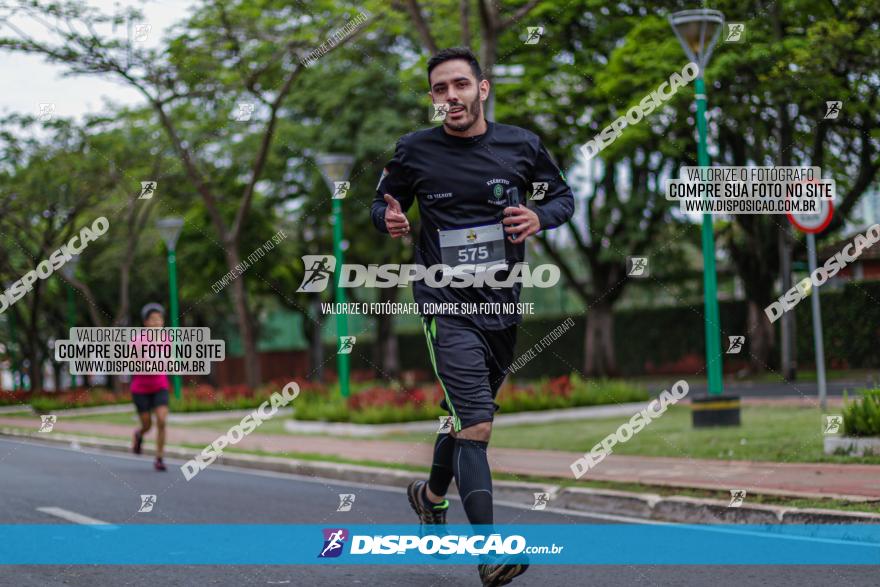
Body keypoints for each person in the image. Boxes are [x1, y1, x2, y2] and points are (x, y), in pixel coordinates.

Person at [371, 47, 574, 586]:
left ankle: (429, 496)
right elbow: (383, 201)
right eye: (440, 90)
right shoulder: (414, 151)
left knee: (464, 418)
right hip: (445, 302)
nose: (451, 97)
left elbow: (563, 197)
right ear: (434, 99)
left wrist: (539, 215)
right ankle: (490, 554)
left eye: (460, 85)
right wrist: (388, 217)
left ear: (482, 89)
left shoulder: (521, 144)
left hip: (503, 301)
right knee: (478, 421)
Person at [130, 302, 170, 471]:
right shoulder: (137, 341)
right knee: (148, 425)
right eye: (153, 319)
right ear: (145, 323)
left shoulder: (166, 340)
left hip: (159, 386)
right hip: (140, 389)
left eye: (159, 319)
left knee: (161, 420)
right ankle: (139, 434)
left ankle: (159, 458)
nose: (157, 323)